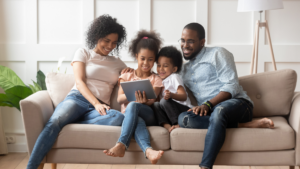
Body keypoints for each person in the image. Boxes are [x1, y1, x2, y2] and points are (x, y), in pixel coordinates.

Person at [27, 14, 131, 169]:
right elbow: (80, 82)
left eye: (114, 43)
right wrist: (96, 104)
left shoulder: (117, 63)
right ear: (97, 36)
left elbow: (135, 76)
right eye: (107, 41)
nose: (110, 46)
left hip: (100, 106)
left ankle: (70, 120)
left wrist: (130, 72)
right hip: (78, 99)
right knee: (54, 121)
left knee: (118, 117)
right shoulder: (83, 53)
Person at [178, 23, 275, 169]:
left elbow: (232, 85)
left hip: (238, 104)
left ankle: (205, 166)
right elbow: (163, 78)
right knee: (183, 119)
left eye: (190, 41)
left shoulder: (218, 54)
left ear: (202, 42)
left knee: (219, 110)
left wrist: (208, 104)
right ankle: (243, 126)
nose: (185, 45)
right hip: (212, 112)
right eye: (183, 40)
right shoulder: (183, 70)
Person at [103, 30, 164, 164]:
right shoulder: (126, 76)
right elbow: (119, 99)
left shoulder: (156, 79)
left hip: (150, 115)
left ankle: (121, 144)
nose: (146, 63)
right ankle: (149, 151)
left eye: (150, 59)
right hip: (129, 117)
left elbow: (151, 101)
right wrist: (134, 97)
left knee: (134, 105)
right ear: (136, 56)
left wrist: (140, 101)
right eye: (142, 58)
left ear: (155, 60)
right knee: (137, 118)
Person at [153, 46, 193, 132]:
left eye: (165, 66)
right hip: (169, 112)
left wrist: (171, 95)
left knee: (164, 101)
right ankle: (167, 126)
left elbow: (184, 96)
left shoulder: (174, 77)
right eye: (159, 65)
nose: (161, 69)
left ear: (174, 69)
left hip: (184, 110)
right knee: (156, 104)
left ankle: (177, 124)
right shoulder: (158, 79)